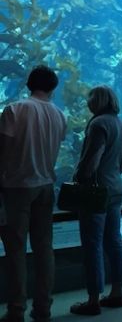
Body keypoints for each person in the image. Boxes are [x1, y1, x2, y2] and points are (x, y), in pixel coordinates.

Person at [0, 65, 67, 322]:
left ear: (29, 84)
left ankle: (16, 309)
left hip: (16, 187)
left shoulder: (15, 110)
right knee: (44, 248)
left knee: (16, 250)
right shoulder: (60, 116)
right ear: (53, 87)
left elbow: (3, 151)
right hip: (46, 187)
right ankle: (43, 308)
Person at [69, 86, 122, 316]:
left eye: (90, 99)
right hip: (115, 189)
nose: (88, 103)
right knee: (114, 241)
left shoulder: (98, 124)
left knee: (92, 245)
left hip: (96, 192)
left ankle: (93, 299)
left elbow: (92, 159)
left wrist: (81, 177)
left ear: (98, 101)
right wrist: (112, 173)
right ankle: (117, 293)